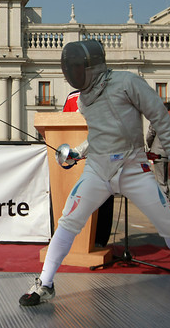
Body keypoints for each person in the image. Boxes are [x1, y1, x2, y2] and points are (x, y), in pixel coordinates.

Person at [19, 40, 170, 307]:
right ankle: (45, 283)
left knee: (168, 223)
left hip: (134, 167)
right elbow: (98, 135)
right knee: (67, 221)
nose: (72, 72)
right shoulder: (85, 100)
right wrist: (78, 152)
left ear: (90, 65)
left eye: (76, 66)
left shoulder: (127, 82)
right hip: (98, 170)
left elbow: (159, 117)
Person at [62, 89, 113, 248]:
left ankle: (99, 240)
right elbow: (63, 123)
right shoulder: (72, 96)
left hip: (103, 156)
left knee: (102, 198)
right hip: (78, 160)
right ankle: (75, 239)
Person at [146, 102, 170, 197]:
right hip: (160, 154)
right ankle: (167, 195)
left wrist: (152, 147)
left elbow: (149, 137)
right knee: (162, 177)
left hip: (166, 154)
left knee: (166, 177)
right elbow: (150, 136)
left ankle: (167, 195)